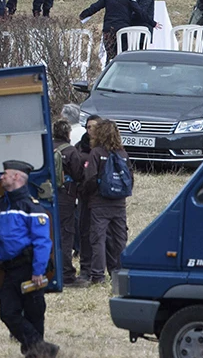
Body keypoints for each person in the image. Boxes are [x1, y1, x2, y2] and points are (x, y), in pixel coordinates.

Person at [0, 160, 58, 358]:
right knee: (8, 313)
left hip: (28, 269)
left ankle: (36, 353)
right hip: (10, 270)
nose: (1, 177)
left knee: (34, 314)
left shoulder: (31, 208)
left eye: (5, 173)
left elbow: (43, 242)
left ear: (16, 177)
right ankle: (42, 348)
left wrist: (38, 271)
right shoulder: (1, 205)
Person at [80, 119, 130, 286]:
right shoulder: (123, 154)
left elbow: (90, 178)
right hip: (119, 204)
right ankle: (120, 273)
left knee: (98, 240)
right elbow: (130, 179)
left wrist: (88, 193)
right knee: (120, 240)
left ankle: (97, 276)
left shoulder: (96, 153)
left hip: (99, 203)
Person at [53, 110, 86, 285]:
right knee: (66, 234)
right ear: (68, 133)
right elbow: (79, 174)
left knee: (49, 233)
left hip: (48, 195)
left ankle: (49, 270)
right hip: (66, 196)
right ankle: (66, 273)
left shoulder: (45, 148)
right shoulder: (71, 151)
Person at [79, 0, 151, 58]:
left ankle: (110, 66)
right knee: (123, 55)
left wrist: (82, 16)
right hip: (123, 30)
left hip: (109, 30)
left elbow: (95, 7)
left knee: (110, 56)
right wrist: (152, 23)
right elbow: (140, 12)